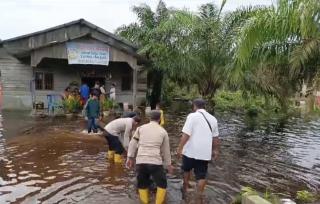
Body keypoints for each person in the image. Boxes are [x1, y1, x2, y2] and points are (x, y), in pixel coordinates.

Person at [126, 110, 173, 204]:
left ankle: (144, 202)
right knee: (162, 184)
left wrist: (129, 158)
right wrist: (169, 165)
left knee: (142, 185)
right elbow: (166, 151)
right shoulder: (163, 131)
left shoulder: (140, 128)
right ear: (160, 119)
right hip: (155, 163)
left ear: (149, 118)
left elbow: (132, 143)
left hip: (141, 161)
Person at [177, 99, 220, 195]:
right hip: (204, 153)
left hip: (190, 151)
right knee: (201, 175)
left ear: (194, 106)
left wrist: (179, 148)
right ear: (204, 106)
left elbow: (186, 135)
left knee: (186, 169)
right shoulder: (213, 119)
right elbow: (216, 138)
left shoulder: (192, 116)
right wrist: (216, 150)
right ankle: (199, 195)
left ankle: (185, 188)